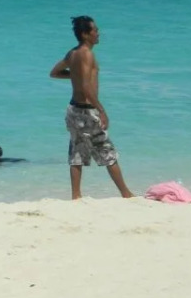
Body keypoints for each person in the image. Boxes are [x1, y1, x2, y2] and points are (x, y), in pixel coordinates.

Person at [49, 15, 134, 199]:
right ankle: (126, 194)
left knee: (77, 153)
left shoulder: (72, 53)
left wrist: (74, 77)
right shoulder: (87, 54)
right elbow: (87, 86)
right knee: (106, 150)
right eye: (95, 30)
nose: (98, 33)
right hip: (87, 111)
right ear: (86, 34)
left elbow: (55, 73)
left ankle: (76, 196)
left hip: (73, 109)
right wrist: (102, 111)